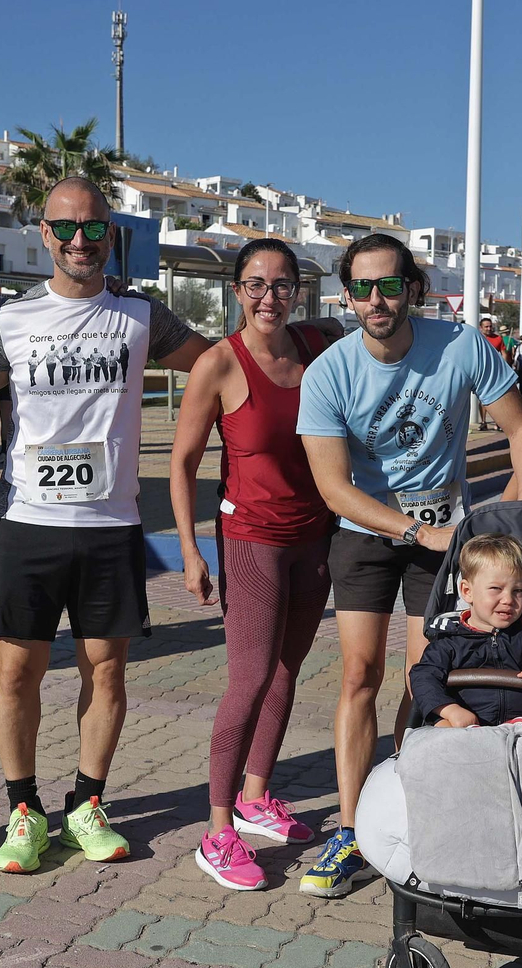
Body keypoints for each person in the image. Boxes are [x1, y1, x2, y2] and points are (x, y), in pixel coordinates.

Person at [0, 177, 211, 875]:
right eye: (67, 228)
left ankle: (87, 802)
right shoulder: (8, 320)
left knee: (106, 670)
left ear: (113, 236)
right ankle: (24, 808)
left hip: (111, 524)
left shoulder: (141, 316)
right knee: (16, 672)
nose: (82, 241)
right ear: (44, 235)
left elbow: (216, 367)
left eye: (95, 229)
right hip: (27, 523)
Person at [296, 232, 522, 897]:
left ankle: (405, 805)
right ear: (347, 297)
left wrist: (509, 518)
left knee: (423, 676)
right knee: (357, 674)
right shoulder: (329, 372)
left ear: (414, 290)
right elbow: (333, 486)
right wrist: (414, 530)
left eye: (391, 285)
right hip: (367, 533)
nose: (378, 299)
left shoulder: (460, 346)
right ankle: (349, 829)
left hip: (447, 535)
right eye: (364, 288)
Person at [170, 238, 339, 892]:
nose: (269, 297)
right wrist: (190, 551)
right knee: (248, 679)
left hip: (313, 537)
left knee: (288, 669)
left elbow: (388, 333)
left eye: (281, 284)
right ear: (237, 291)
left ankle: (256, 794)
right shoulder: (219, 364)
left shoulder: (317, 347)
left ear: (297, 289)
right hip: (250, 540)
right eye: (256, 284)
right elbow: (182, 464)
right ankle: (218, 830)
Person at [408, 534, 522, 732]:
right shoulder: (449, 641)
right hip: (469, 727)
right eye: (496, 588)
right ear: (467, 591)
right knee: (442, 726)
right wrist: (450, 710)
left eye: (518, 591)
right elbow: (423, 676)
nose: (508, 599)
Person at [475, 315, 504, 431]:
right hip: (479, 373)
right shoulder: (477, 338)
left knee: (496, 399)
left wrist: (507, 367)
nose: (488, 328)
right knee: (482, 400)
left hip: (495, 373)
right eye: (486, 326)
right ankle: (483, 422)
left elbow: (504, 353)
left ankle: (498, 422)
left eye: (490, 326)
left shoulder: (498, 339)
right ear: (481, 328)